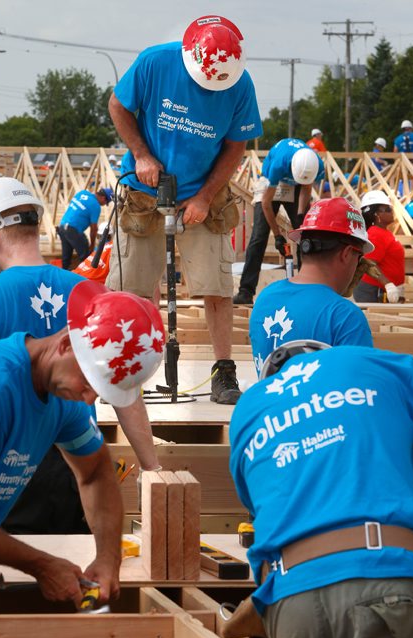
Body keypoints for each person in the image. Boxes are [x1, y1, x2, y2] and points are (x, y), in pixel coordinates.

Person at [0, 279, 165, 608]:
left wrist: (108, 558)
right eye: (88, 381)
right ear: (64, 345)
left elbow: (96, 473)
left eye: (100, 391)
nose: (89, 397)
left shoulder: (62, 397)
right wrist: (41, 565)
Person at [0, 177, 161, 534]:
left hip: (8, 472)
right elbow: (124, 391)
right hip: (80, 467)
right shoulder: (91, 293)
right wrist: (152, 469)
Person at [229, 339, 413, 638]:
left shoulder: (248, 409)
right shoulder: (366, 363)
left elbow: (259, 509)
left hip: (293, 598)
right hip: (389, 576)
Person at [106, 15, 263, 405]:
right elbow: (117, 106)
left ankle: (223, 371)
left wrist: (206, 196)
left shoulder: (239, 84)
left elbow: (235, 146)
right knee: (132, 289)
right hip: (144, 192)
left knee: (217, 287)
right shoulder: (155, 62)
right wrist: (141, 154)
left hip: (201, 196)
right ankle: (124, 371)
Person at [249, 197, 373, 376]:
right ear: (346, 254)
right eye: (359, 257)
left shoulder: (265, 298)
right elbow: (361, 392)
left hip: (272, 403)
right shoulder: (345, 317)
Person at [233, 138, 324, 305]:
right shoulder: (278, 165)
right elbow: (266, 204)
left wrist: (300, 217)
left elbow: (306, 188)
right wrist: (277, 236)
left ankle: (308, 288)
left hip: (296, 185)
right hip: (271, 183)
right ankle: (245, 291)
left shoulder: (316, 165)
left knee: (306, 236)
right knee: (259, 237)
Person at [353, 190, 405, 304]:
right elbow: (368, 262)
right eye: (388, 209)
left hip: (382, 290)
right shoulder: (376, 234)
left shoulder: (383, 232)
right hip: (372, 291)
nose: (392, 212)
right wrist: (388, 284)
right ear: (376, 215)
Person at [58, 187, 113, 270]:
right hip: (73, 229)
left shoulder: (82, 192)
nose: (104, 205)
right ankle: (85, 277)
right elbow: (94, 228)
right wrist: (92, 245)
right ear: (103, 198)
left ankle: (64, 277)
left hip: (62, 227)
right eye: (105, 202)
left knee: (66, 259)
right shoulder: (96, 206)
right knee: (86, 256)